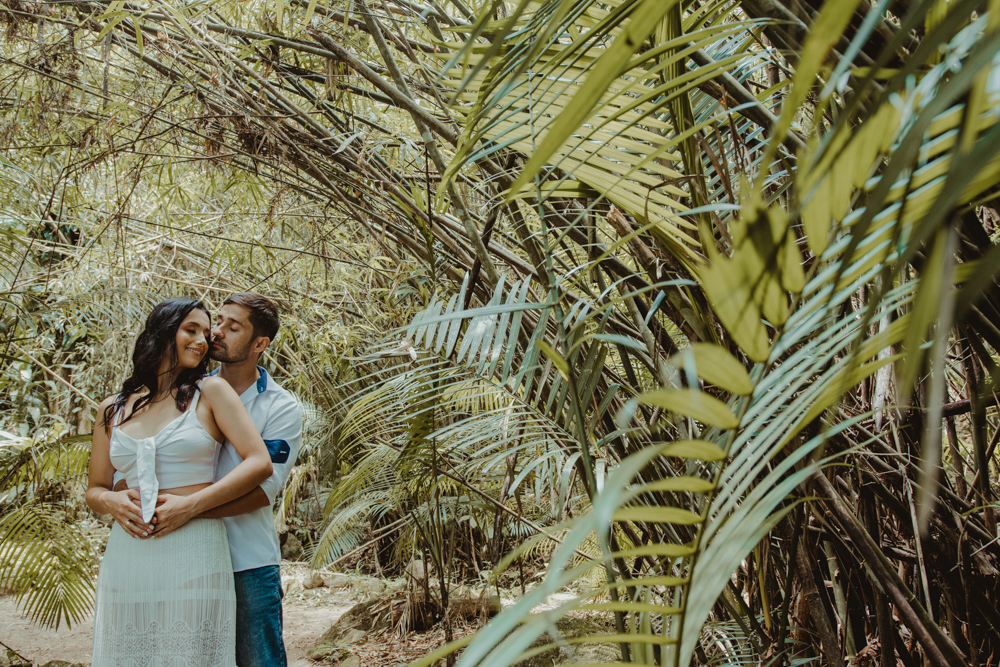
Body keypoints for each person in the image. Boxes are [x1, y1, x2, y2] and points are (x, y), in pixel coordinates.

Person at [108, 293, 303, 667]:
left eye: (234, 327)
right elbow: (130, 468)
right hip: (177, 556)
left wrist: (189, 509)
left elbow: (264, 490)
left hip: (246, 559)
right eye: (219, 321)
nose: (217, 332)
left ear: (260, 344)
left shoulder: (280, 407)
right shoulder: (184, 392)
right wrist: (122, 500)